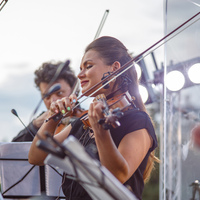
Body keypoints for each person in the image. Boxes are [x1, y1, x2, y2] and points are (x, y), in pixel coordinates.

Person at [28, 36, 158, 200]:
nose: (80, 75)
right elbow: (35, 157)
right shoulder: (84, 122)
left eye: (88, 66)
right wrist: (53, 118)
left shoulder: (138, 122)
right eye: (80, 68)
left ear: (115, 68)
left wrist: (100, 131)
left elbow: (117, 176)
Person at [12, 61, 81, 142]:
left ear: (74, 91)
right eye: (47, 96)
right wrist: (34, 125)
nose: (53, 101)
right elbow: (14, 148)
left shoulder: (87, 119)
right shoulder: (41, 121)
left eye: (59, 93)